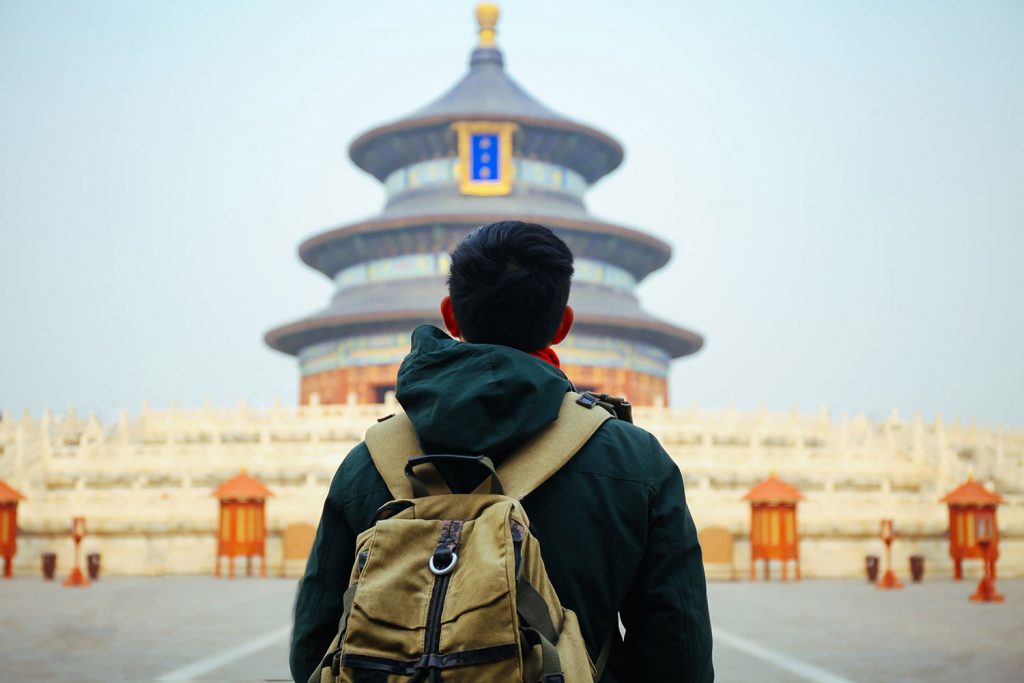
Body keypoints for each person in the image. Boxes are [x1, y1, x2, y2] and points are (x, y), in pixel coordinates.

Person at [290, 220, 714, 682]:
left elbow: (315, 648)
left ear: (450, 315)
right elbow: (680, 656)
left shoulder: (367, 463)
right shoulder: (635, 461)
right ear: (562, 324)